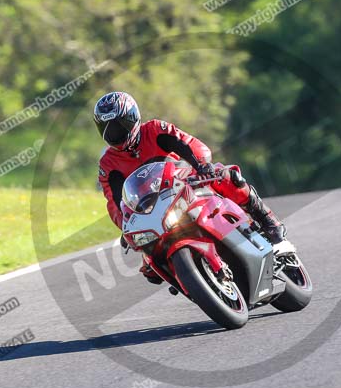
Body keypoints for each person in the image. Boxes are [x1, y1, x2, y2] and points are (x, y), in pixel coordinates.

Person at [94, 91, 286, 283]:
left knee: (226, 176)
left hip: (185, 182)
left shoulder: (154, 129)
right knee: (150, 267)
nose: (115, 133)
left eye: (120, 125)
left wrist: (202, 165)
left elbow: (188, 143)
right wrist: (125, 224)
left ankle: (265, 217)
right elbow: (115, 202)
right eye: (108, 129)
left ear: (133, 117)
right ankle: (187, 276)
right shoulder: (108, 164)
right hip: (154, 209)